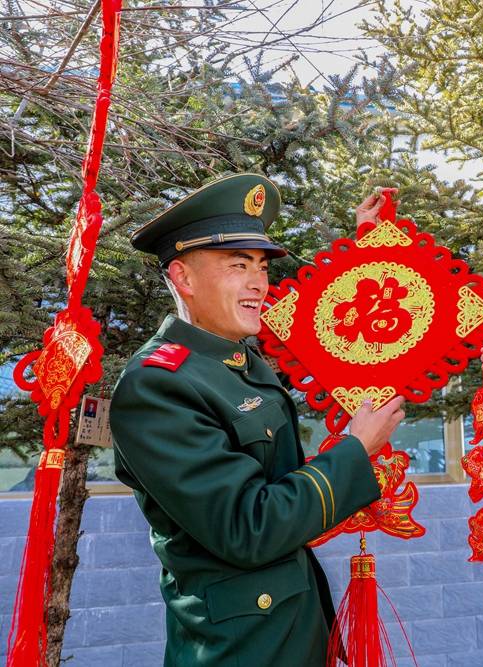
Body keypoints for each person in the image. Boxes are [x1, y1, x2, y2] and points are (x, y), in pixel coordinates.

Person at [110, 174, 405, 666]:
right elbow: (247, 528)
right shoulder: (158, 384)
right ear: (183, 277)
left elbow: (331, 320)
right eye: (237, 265)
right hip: (238, 647)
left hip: (290, 624)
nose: (258, 283)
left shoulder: (236, 361)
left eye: (262, 266)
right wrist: (354, 452)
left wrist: (368, 249)